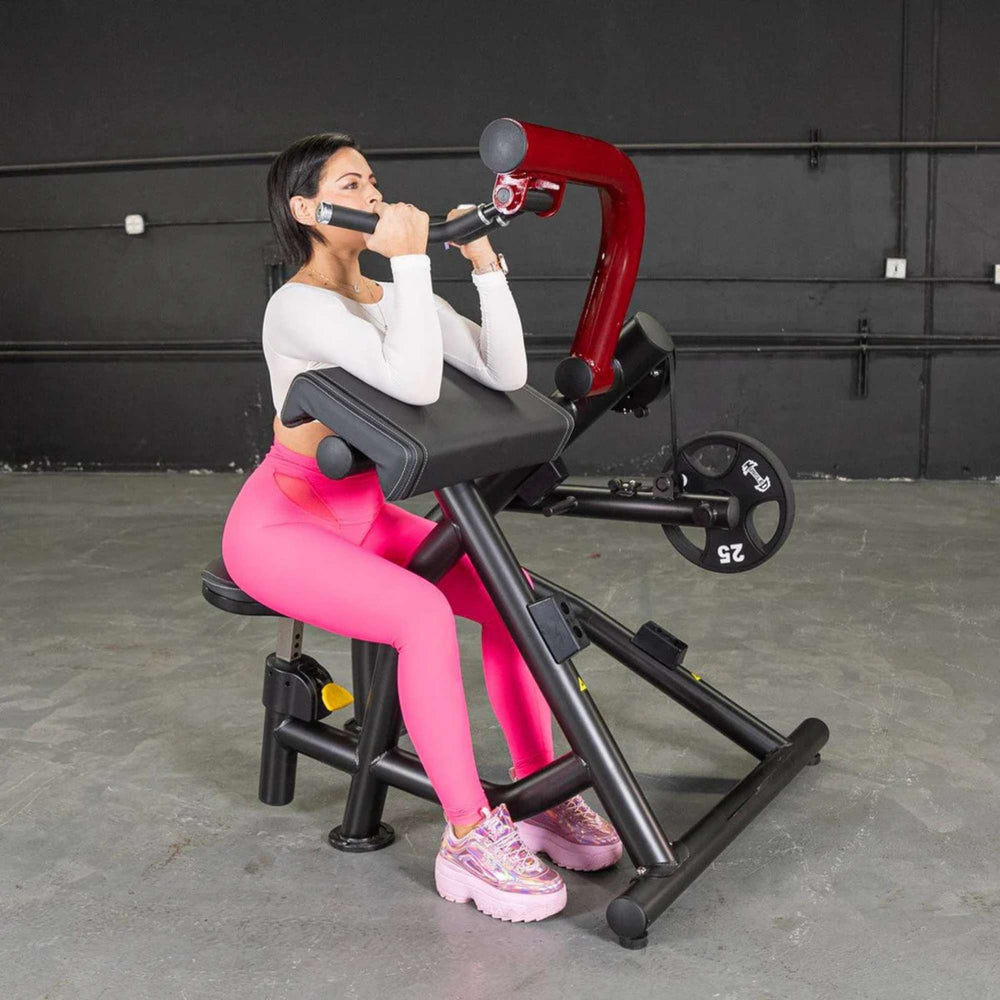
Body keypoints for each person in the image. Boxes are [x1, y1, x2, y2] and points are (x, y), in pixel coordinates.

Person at [221, 131, 622, 923]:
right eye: (352, 184)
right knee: (423, 615)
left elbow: (504, 372)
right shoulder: (296, 305)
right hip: (283, 528)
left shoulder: (397, 294)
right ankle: (469, 835)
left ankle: (538, 796)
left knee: (518, 600)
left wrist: (481, 265)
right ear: (308, 209)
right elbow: (410, 380)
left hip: (365, 520)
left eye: (374, 180)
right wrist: (410, 262)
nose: (373, 196)